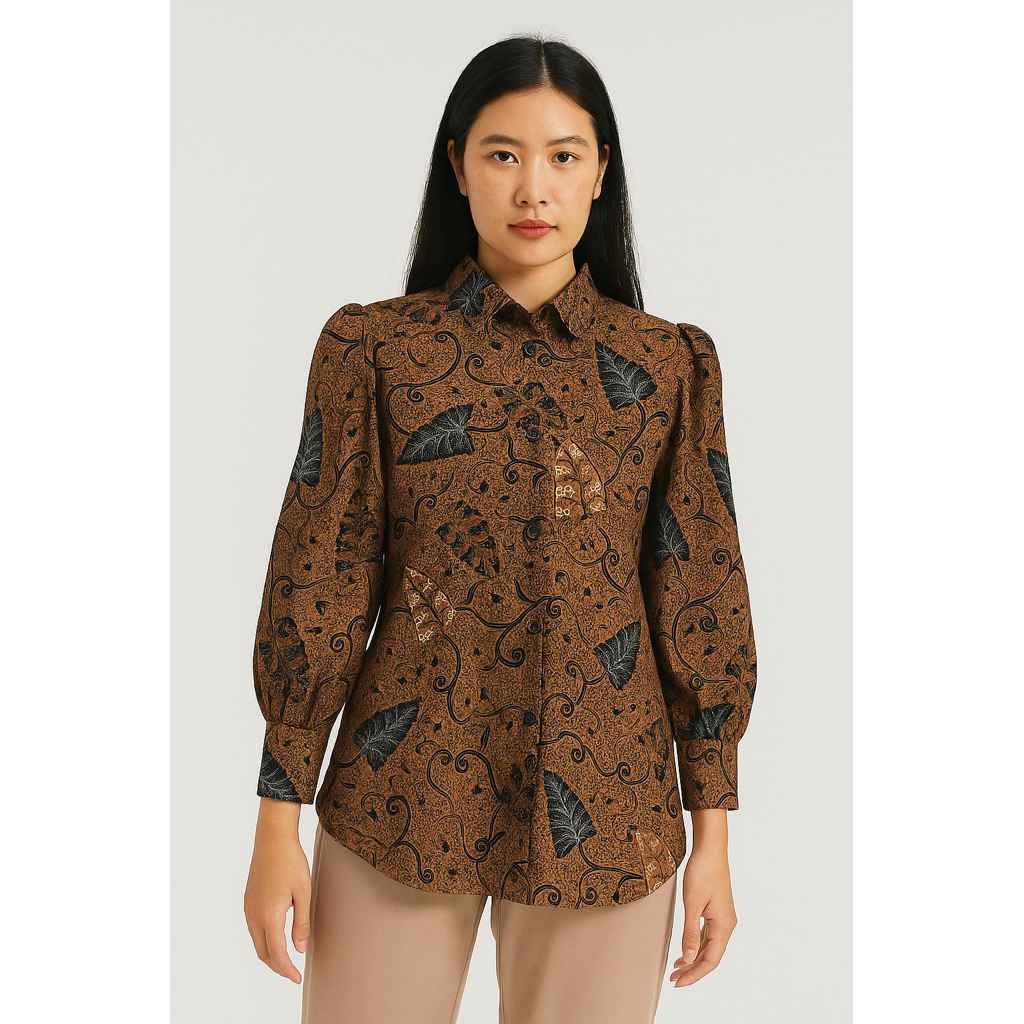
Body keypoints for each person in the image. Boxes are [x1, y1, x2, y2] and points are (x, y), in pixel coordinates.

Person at [244, 33, 758, 1024]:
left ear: (601, 172)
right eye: (503, 154)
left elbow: (700, 595)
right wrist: (277, 822)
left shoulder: (667, 368)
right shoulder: (375, 351)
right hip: (401, 794)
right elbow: (320, 577)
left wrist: (714, 840)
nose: (534, 188)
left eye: (563, 155)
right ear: (457, 164)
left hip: (608, 805)